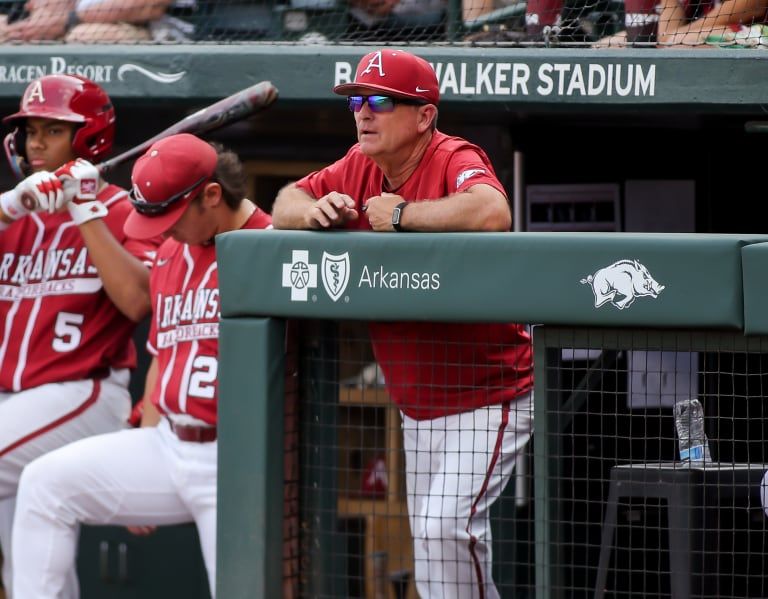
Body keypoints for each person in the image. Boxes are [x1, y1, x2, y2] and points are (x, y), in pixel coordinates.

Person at [272, 48, 534, 599]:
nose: (363, 113)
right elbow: (283, 201)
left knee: (445, 530)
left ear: (423, 116)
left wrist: (402, 215)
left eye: (380, 101)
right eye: (358, 101)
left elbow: (491, 211)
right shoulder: (358, 163)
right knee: (430, 550)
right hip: (418, 403)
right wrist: (313, 211)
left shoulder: (451, 154)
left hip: (489, 393)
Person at [10, 133, 272, 599]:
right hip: (169, 443)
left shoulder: (269, 246)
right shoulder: (172, 253)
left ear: (212, 195)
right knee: (44, 485)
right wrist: (140, 446)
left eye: (171, 219)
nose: (163, 231)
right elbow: (162, 360)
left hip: (236, 460)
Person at [0, 73, 157, 598]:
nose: (35, 143)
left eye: (52, 130)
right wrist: (8, 208)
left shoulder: (122, 211)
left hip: (83, 393)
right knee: (29, 567)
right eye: (29, 131)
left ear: (87, 138)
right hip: (13, 405)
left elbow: (138, 301)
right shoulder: (17, 211)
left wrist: (84, 208)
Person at [0, 0, 188, 43]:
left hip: (154, 30)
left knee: (83, 36)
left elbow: (150, 6)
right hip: (71, 23)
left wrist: (69, 20)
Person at [595, 0, 768, 46]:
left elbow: (754, 6)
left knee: (679, 42)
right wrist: (670, 37)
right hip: (699, 32)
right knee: (605, 47)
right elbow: (665, 30)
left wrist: (675, 36)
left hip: (760, 34)